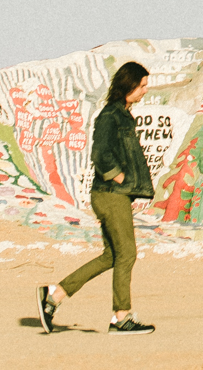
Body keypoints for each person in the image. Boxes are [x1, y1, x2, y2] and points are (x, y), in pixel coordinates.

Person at [38, 61, 156, 334]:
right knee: (128, 253)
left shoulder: (123, 114)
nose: (144, 91)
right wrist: (119, 177)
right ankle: (121, 317)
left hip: (113, 195)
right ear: (128, 85)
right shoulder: (110, 115)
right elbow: (100, 154)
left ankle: (54, 295)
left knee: (111, 256)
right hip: (110, 194)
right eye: (142, 86)